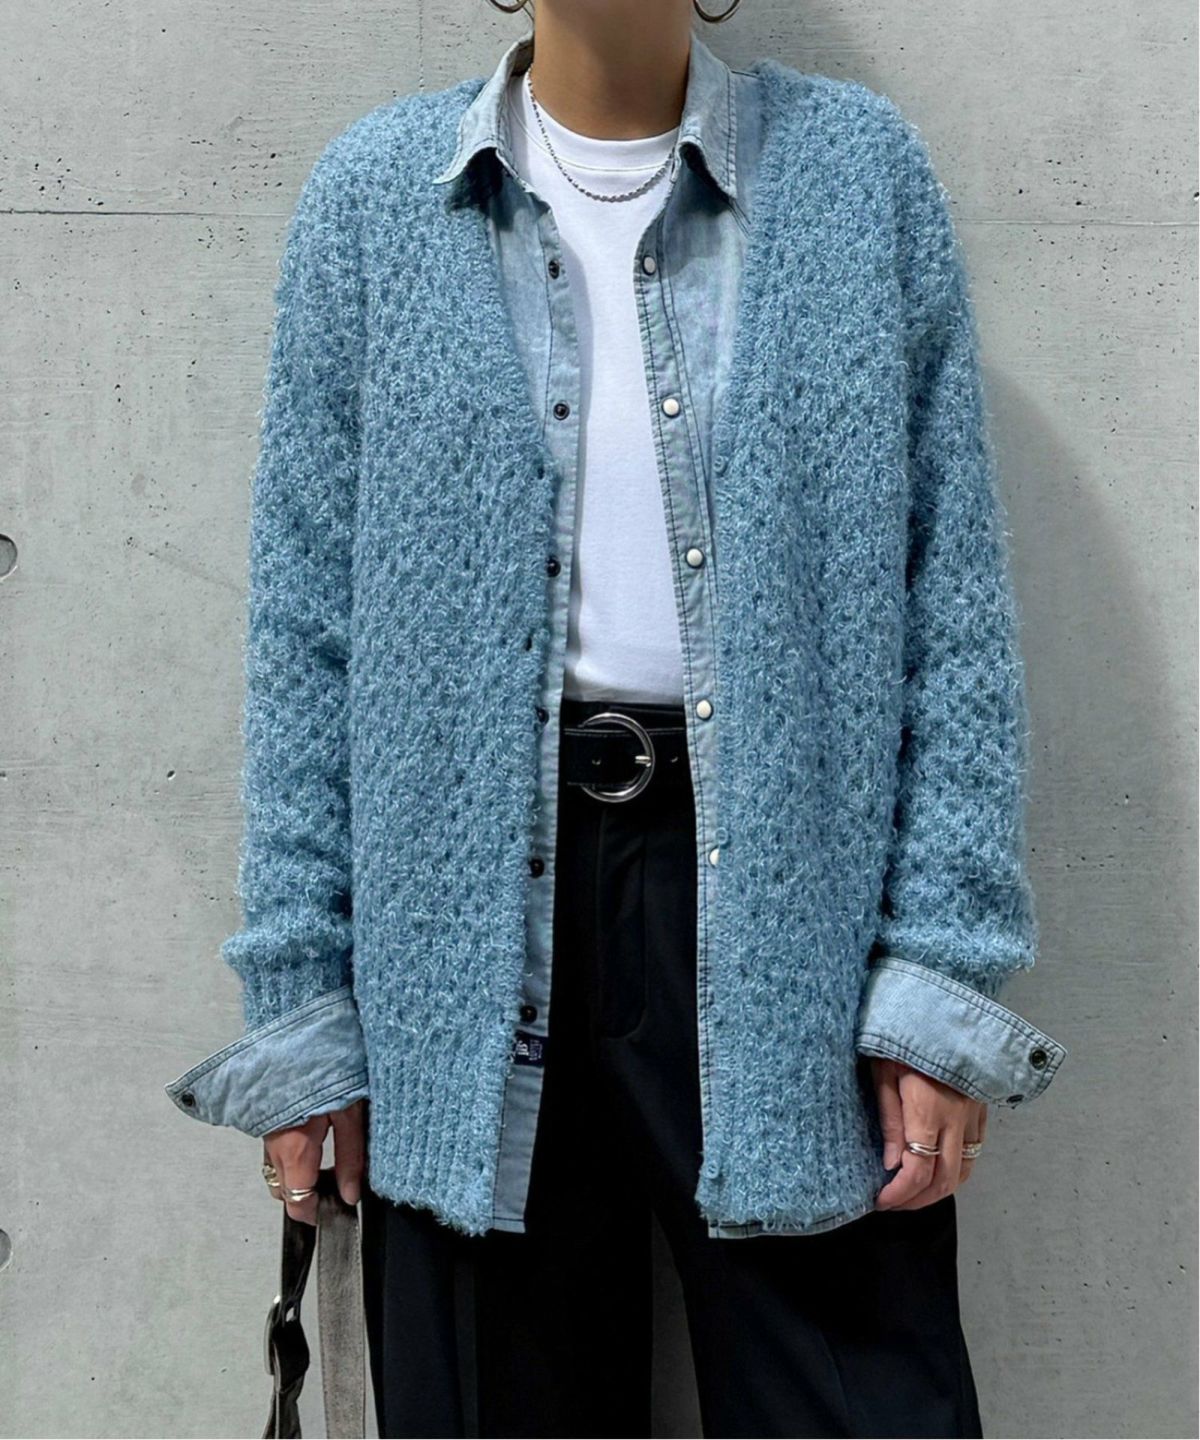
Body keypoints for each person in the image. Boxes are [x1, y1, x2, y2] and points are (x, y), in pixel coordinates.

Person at [165, 2, 1068, 1435]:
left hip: (786, 927)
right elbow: (306, 636)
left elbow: (949, 602)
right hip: (458, 943)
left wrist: (940, 979)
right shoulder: (375, 200)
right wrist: (305, 1008)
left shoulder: (855, 174)